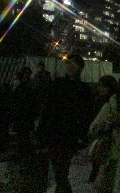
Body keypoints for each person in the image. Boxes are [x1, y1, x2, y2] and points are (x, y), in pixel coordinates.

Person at [37, 54, 95, 193]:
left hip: (70, 135)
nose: (70, 66)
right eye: (68, 63)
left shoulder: (84, 89)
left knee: (62, 168)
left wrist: (82, 133)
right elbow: (47, 108)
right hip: (53, 132)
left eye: (74, 64)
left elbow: (87, 114)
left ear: (81, 68)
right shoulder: (57, 84)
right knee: (59, 169)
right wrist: (41, 130)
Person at [89, 75, 119, 183]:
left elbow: (96, 124)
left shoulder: (110, 104)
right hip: (103, 140)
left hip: (108, 141)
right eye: (99, 86)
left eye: (103, 86)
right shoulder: (99, 100)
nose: (100, 89)